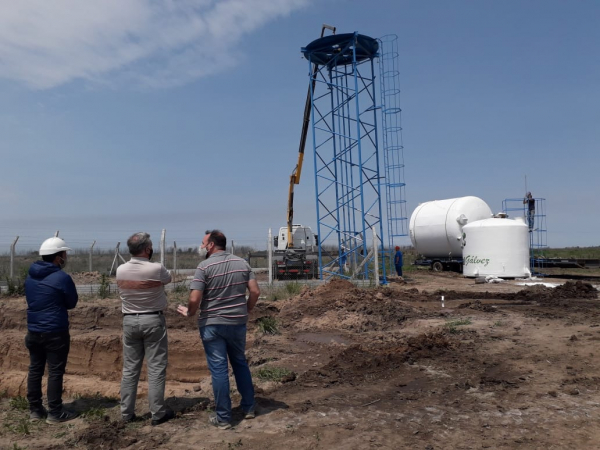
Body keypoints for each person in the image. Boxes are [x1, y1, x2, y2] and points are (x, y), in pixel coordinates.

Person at [177, 230, 260, 430]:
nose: (202, 246)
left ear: (212, 245)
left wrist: (190, 312)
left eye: (204, 243)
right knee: (240, 362)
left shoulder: (204, 267)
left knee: (219, 370)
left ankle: (223, 417)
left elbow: (195, 298)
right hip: (237, 323)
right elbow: (255, 291)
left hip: (212, 325)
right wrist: (247, 308)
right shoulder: (242, 263)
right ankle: (249, 408)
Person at [116, 232, 174, 426]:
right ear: (148, 249)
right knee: (156, 368)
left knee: (130, 369)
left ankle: (126, 413)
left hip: (130, 321)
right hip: (153, 319)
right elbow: (168, 279)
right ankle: (157, 413)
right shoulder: (156, 268)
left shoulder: (120, 270)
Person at [24, 237, 79, 424]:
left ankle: (35, 410)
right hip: (55, 331)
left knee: (35, 369)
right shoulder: (62, 278)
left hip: (33, 330)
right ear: (58, 257)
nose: (65, 257)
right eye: (64, 254)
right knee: (55, 372)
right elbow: (71, 303)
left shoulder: (30, 276)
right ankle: (55, 412)